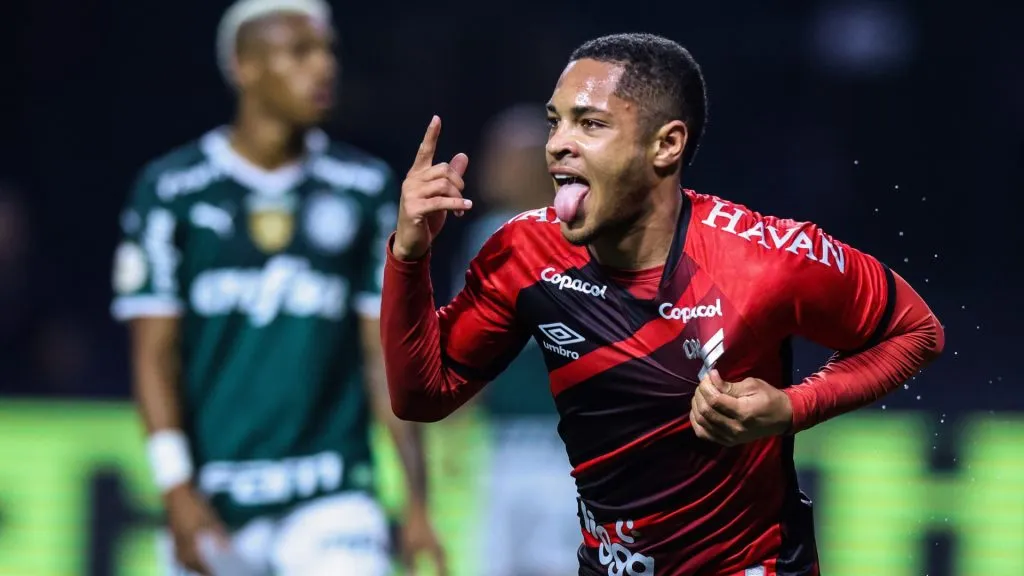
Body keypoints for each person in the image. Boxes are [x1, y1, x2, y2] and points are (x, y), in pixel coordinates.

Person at [380, 32, 944, 576]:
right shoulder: (522, 252)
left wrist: (793, 407)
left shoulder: (764, 257)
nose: (557, 144)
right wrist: (408, 256)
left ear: (666, 145)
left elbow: (916, 331)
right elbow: (422, 396)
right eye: (556, 122)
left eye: (590, 124)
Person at [110, 1, 445, 574]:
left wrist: (417, 501)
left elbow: (381, 355)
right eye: (300, 52)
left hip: (332, 495)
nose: (324, 67)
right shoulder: (172, 191)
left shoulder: (362, 188)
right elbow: (154, 355)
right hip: (215, 498)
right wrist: (175, 489)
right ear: (244, 66)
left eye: (328, 51)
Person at [450, 104, 581, 576]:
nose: (492, 169)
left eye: (506, 158)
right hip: (499, 446)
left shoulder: (583, 238)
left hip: (564, 451)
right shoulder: (487, 237)